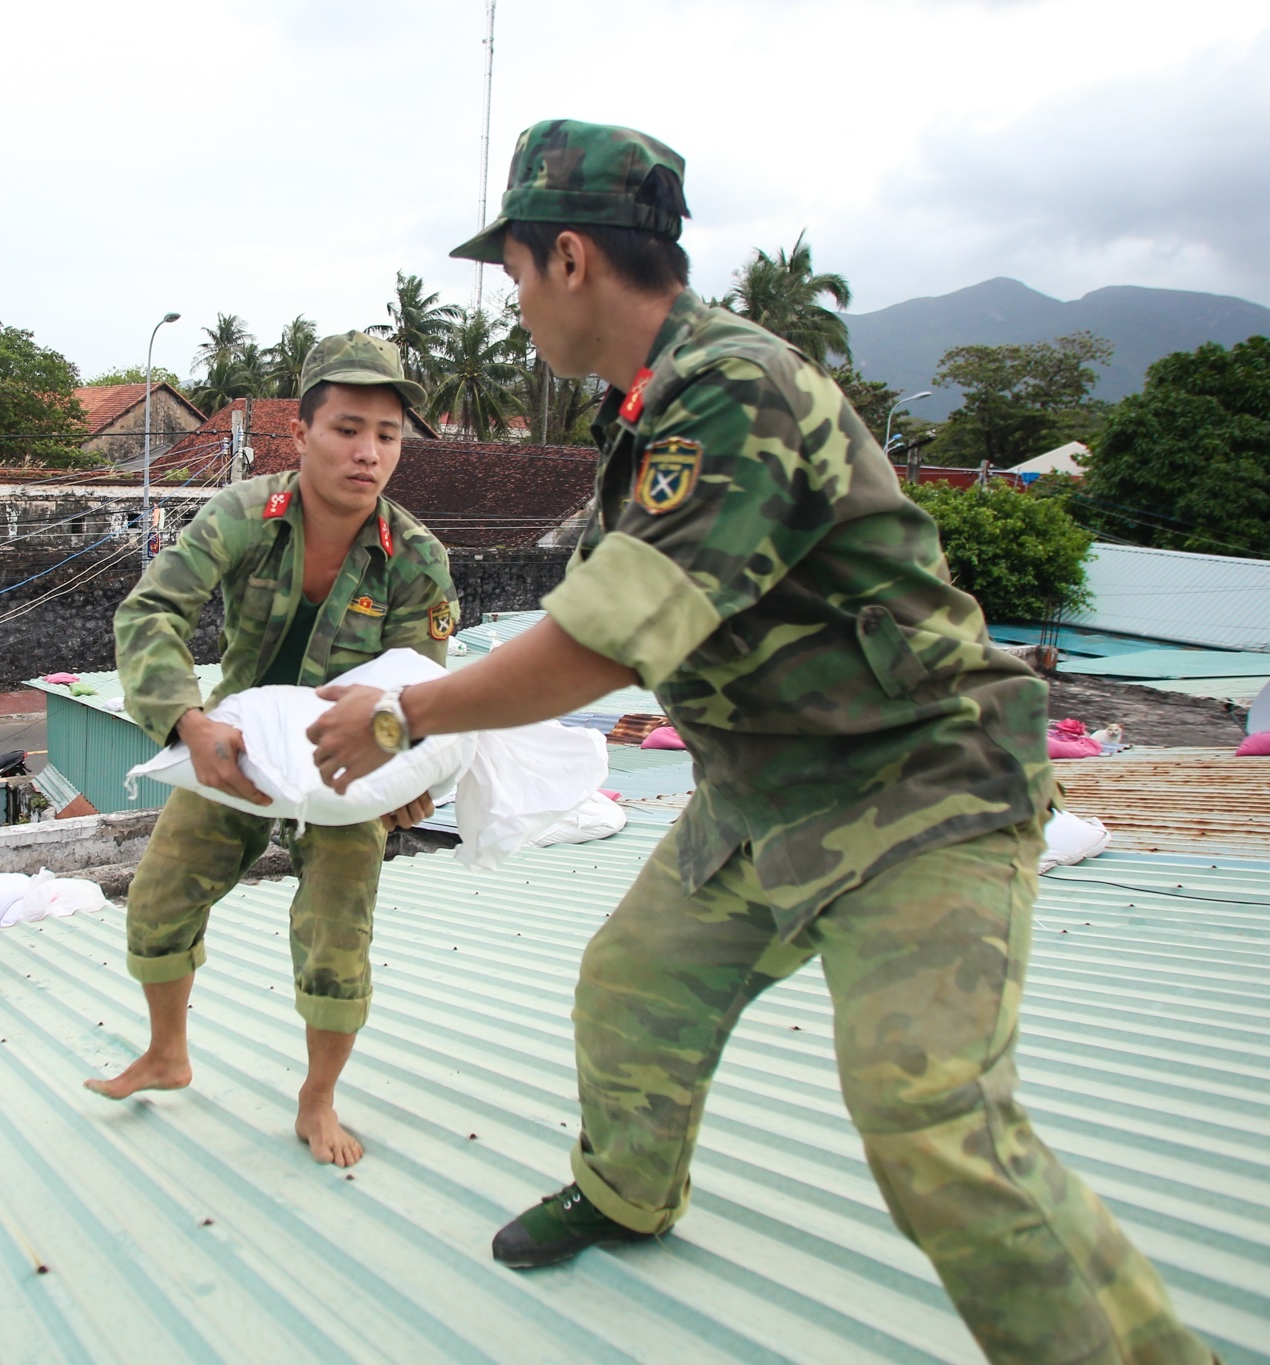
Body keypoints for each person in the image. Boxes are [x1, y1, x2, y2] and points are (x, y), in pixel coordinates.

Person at [305, 120, 1208, 1361]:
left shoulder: (731, 389)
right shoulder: (649, 409)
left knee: (930, 1119)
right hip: (764, 793)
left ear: (567, 258)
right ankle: (625, 1194)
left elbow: (611, 633)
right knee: (632, 989)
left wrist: (403, 712)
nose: (513, 304)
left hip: (917, 789)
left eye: (512, 273)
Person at [85, 332, 460, 1168]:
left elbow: (416, 689)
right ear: (301, 432)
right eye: (347, 429)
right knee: (159, 894)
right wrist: (187, 722)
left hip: (345, 763)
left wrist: (408, 772)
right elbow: (151, 611)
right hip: (238, 744)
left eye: (388, 435)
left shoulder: (418, 560)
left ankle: (317, 1098)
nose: (368, 453)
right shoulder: (243, 514)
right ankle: (167, 1051)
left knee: (336, 931)